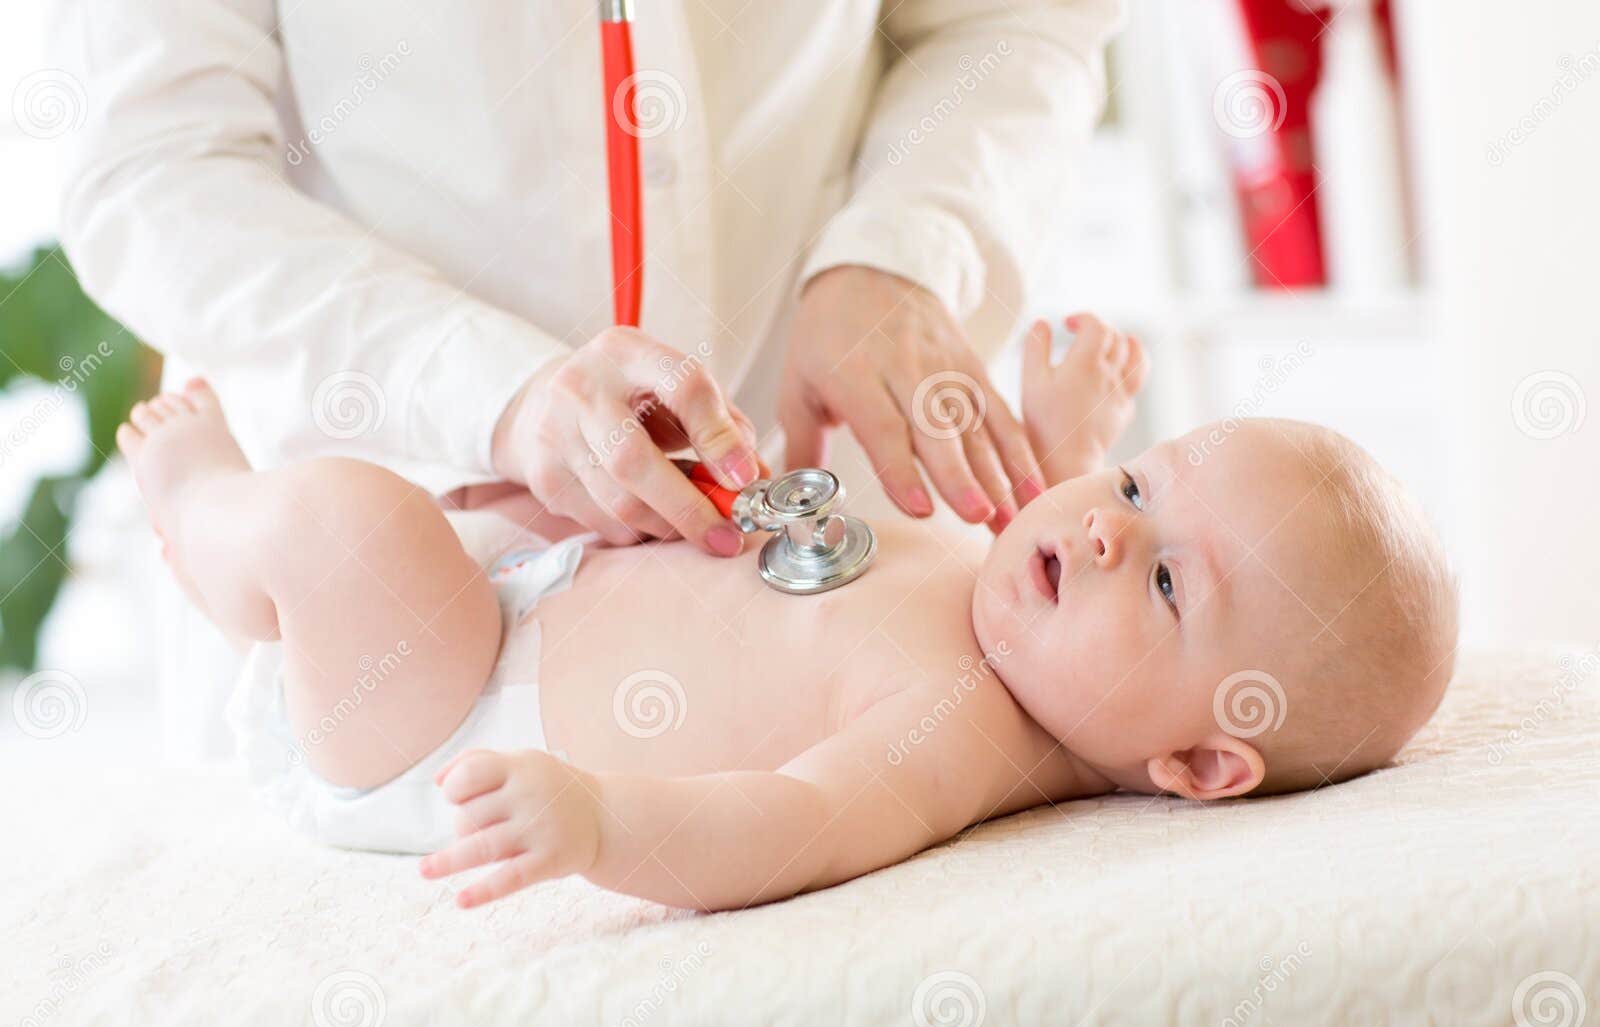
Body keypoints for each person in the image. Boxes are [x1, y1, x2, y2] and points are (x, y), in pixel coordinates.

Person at [51, 1, 1122, 757]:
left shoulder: (1007, 684)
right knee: (350, 545)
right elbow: (154, 164)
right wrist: (489, 392)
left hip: (802, 497)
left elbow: (1016, 19)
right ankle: (206, 507)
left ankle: (211, 508)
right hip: (403, 528)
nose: (1114, 535)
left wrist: (901, 252)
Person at [113, 314, 1457, 910]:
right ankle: (264, 568)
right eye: (1134, 481)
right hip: (530, 584)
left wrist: (595, 823)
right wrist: (1069, 431)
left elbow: (795, 824)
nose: (1100, 526)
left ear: (1199, 763)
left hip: (442, 716)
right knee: (477, 500)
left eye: (1168, 579)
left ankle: (209, 511)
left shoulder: (961, 734)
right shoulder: (1034, 606)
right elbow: (1062, 531)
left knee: (348, 524)